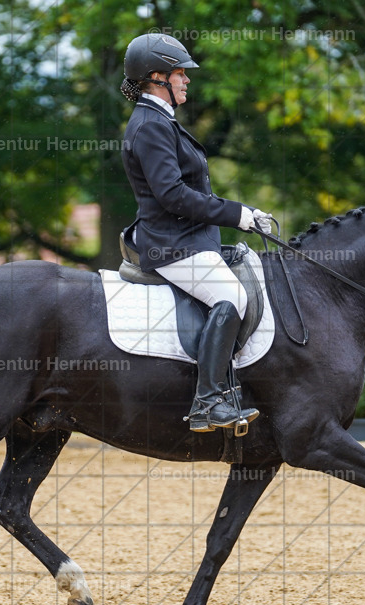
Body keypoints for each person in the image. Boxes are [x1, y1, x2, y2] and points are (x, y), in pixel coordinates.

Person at [119, 33, 273, 433]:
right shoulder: (150, 125)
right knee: (231, 296)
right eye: (180, 74)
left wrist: (246, 214)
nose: (187, 80)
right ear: (157, 77)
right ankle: (208, 402)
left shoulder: (161, 121)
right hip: (171, 246)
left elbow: (196, 191)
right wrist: (236, 215)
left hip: (188, 240)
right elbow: (173, 195)